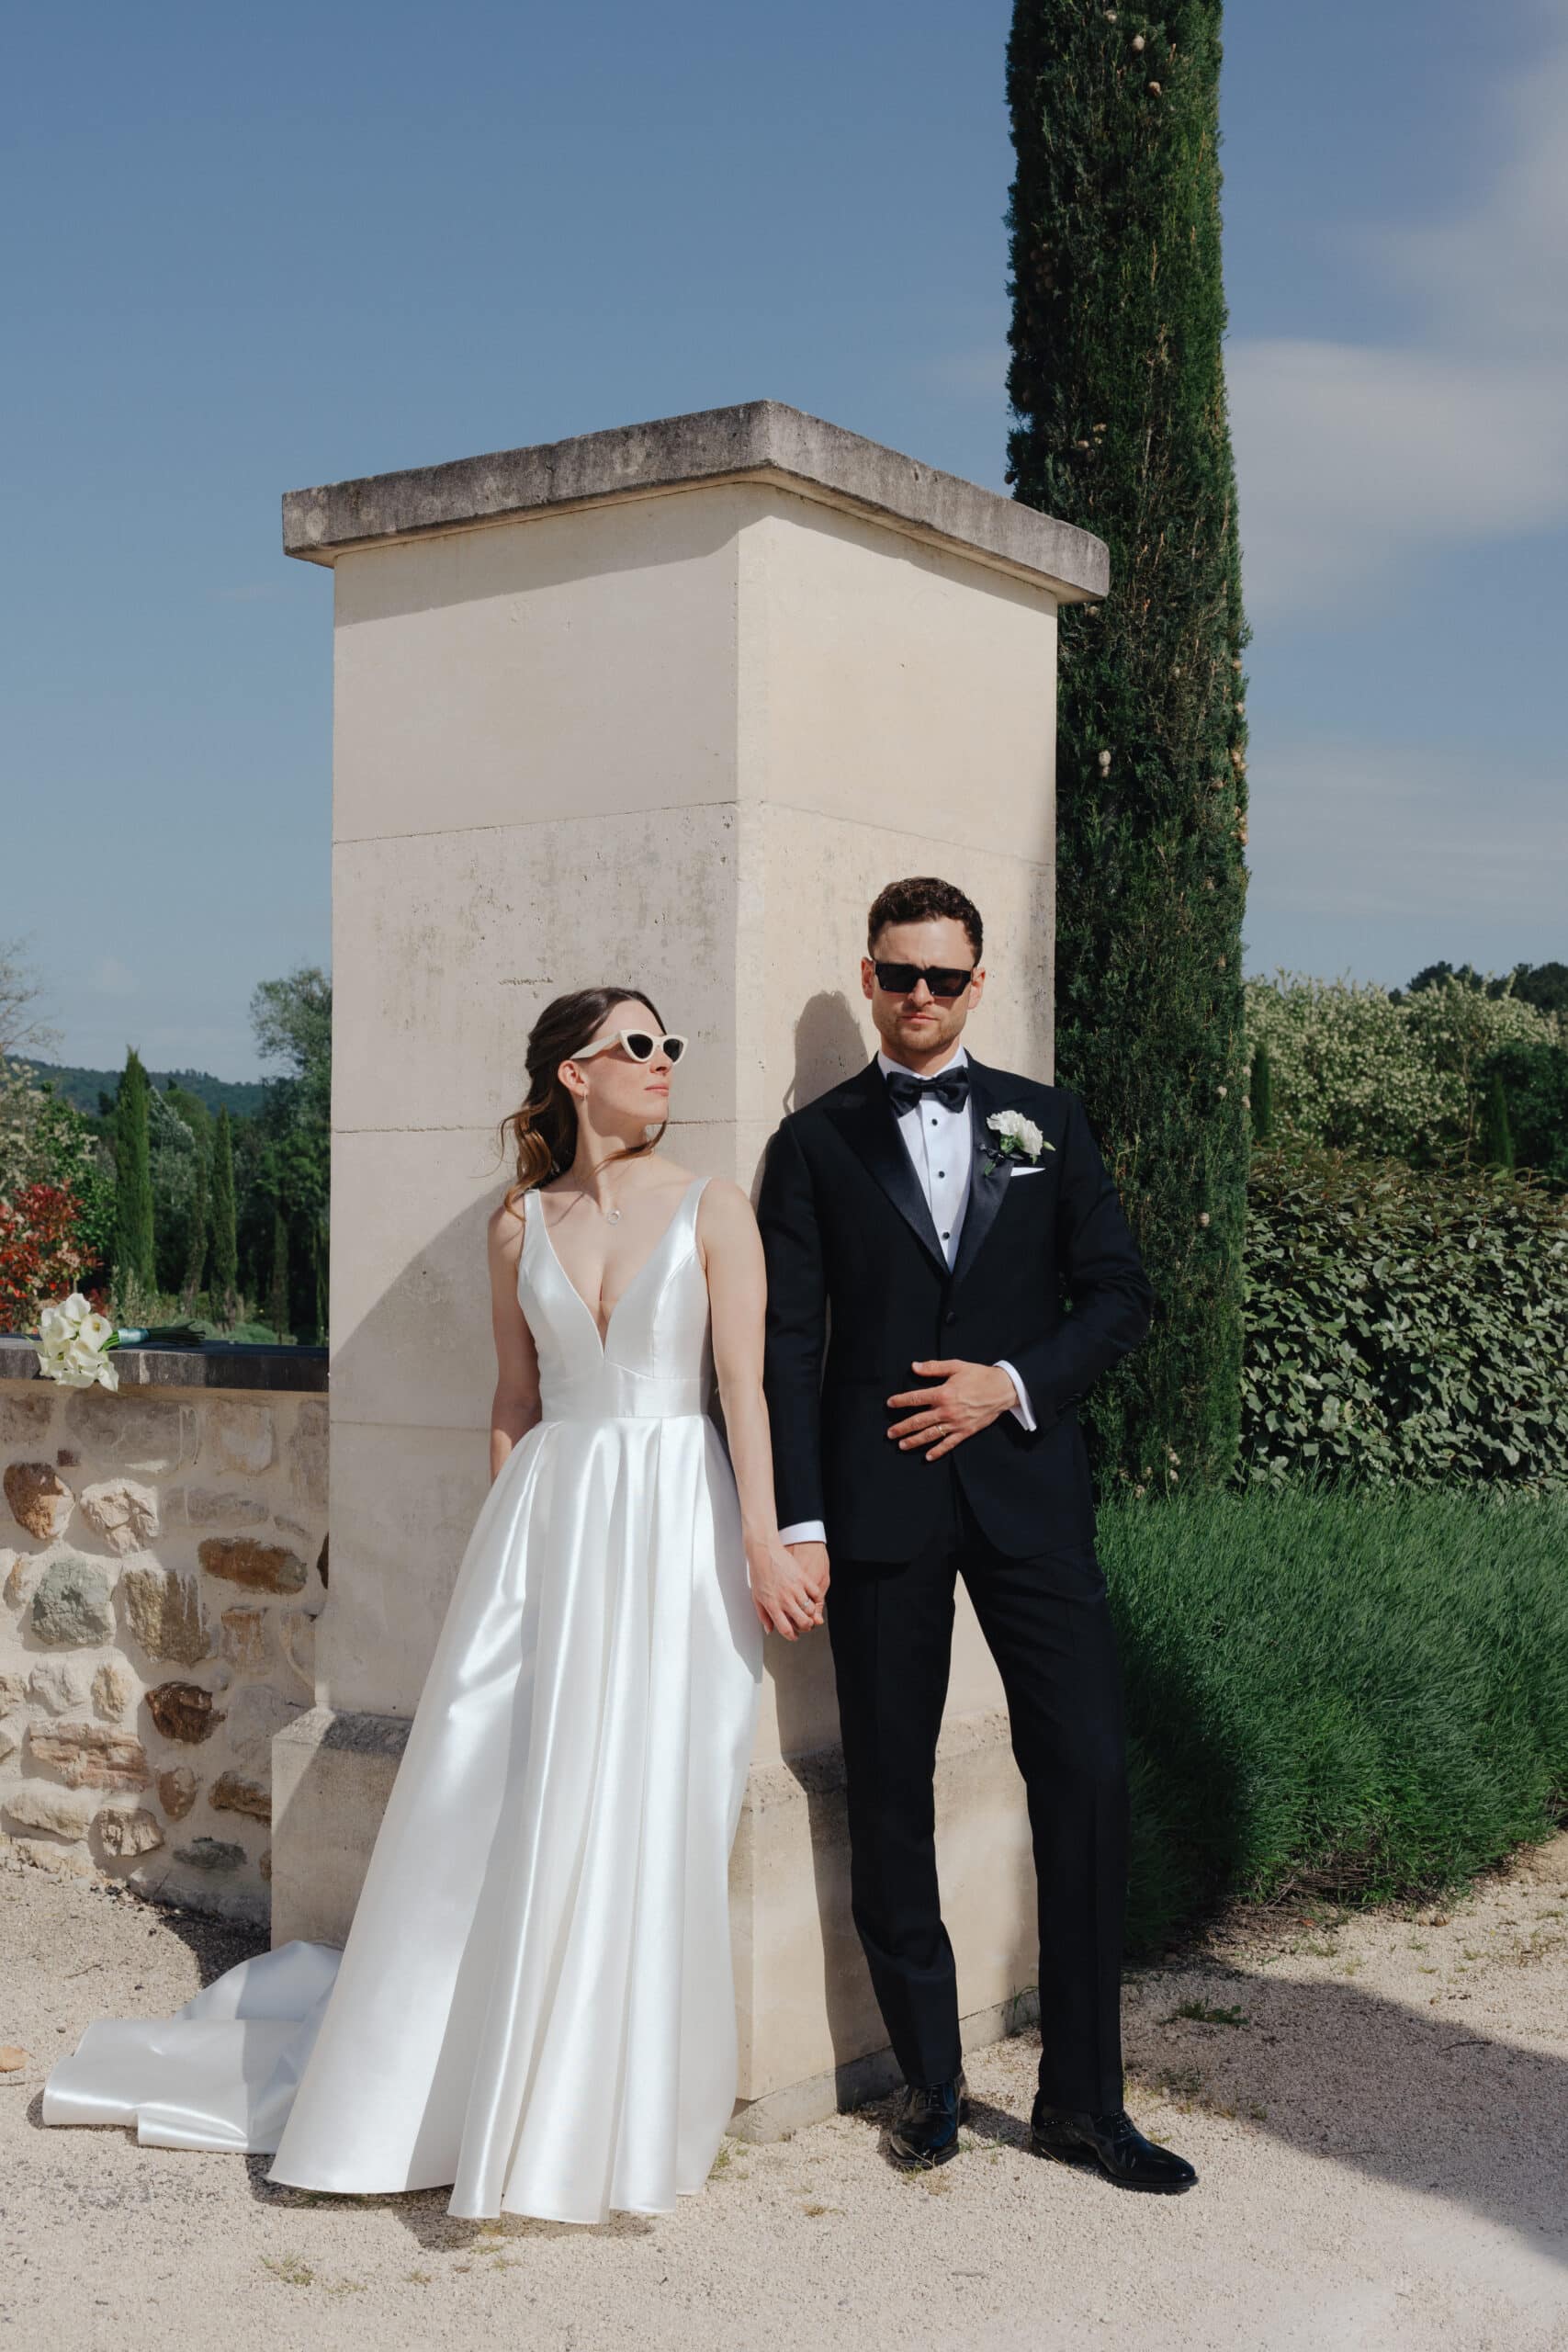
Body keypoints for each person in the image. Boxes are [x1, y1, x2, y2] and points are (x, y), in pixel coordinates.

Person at [42, 987, 823, 2222]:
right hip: (547, 1528)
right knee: (508, 1796)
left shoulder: (716, 1207)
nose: (664, 1062)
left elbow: (749, 1389)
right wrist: (511, 1535)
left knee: (653, 1793)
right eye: (638, 1045)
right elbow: (513, 1401)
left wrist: (768, 1543)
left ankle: (606, 2111)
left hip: (676, 1517)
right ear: (575, 1074)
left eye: (672, 1046)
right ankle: (464, 2084)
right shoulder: (520, 1223)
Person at [756, 876, 1197, 2191]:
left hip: (1028, 1495)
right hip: (880, 1507)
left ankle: (1081, 2102)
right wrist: (799, 1519)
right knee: (890, 1790)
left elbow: (1119, 1296)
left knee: (1089, 1773)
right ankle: (931, 2086)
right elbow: (786, 1348)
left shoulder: (1045, 1123)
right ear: (872, 974)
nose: (921, 999)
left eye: (945, 979)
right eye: (899, 976)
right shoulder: (817, 1144)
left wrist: (1007, 1385)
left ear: (980, 982)